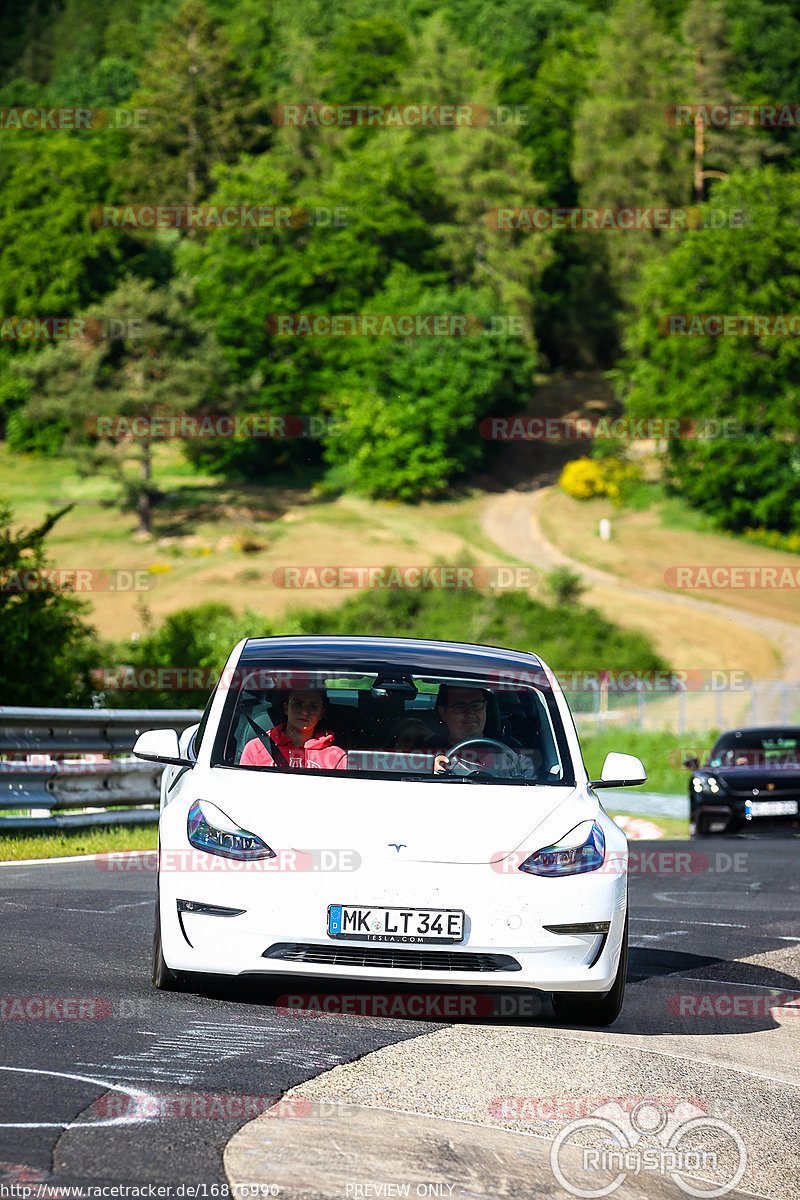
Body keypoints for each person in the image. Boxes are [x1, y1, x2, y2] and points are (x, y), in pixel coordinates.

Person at [239, 689, 346, 770]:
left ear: (321, 714)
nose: (305, 712)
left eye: (313, 707)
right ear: (286, 708)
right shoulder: (256, 748)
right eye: (298, 704)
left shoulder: (336, 756)